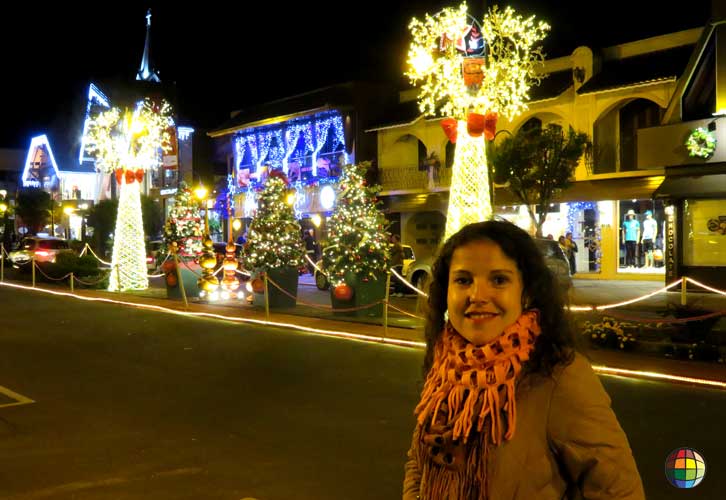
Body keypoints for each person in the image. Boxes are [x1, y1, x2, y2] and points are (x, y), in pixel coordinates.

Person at [403, 220, 643, 499]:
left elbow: (617, 490)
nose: (477, 295)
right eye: (463, 280)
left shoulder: (559, 374)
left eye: (499, 280)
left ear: (526, 292)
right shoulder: (446, 364)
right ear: (447, 291)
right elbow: (418, 462)